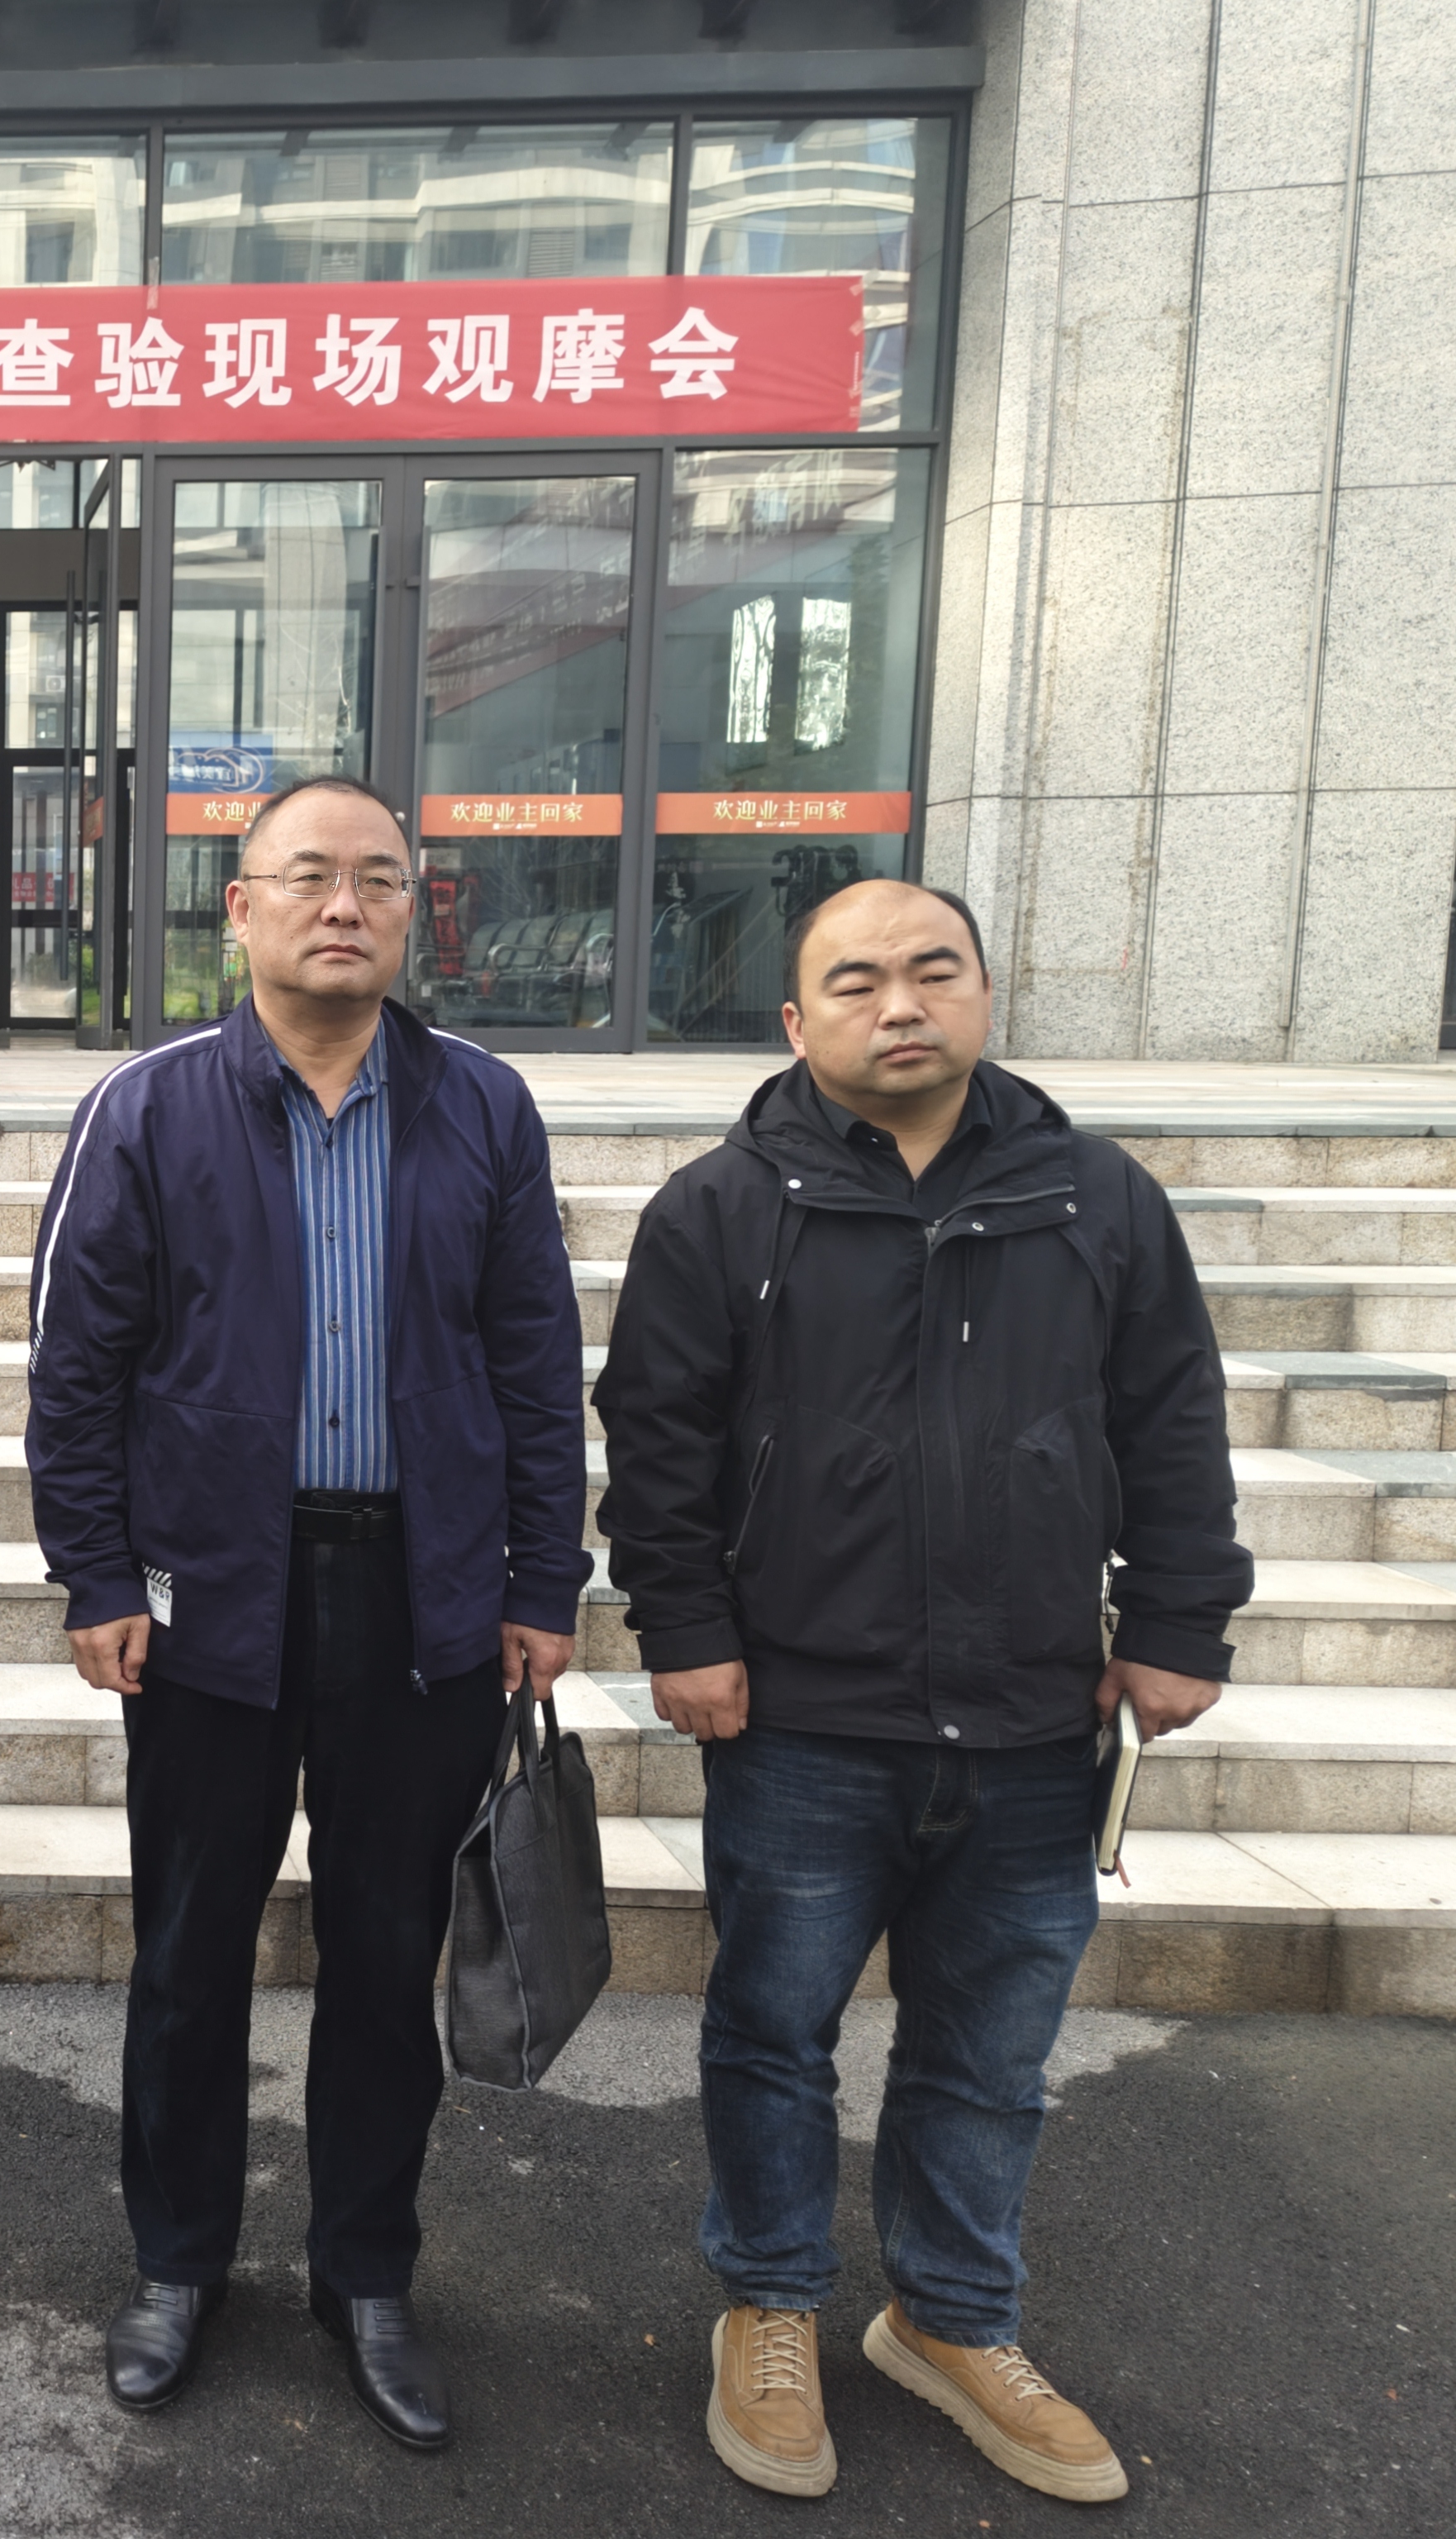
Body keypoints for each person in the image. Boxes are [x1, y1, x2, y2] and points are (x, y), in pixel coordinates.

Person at [593, 879, 1246, 2507]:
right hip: (802, 1721)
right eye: (857, 980)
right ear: (794, 1020)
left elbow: (1169, 1417)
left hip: (1029, 1718)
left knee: (988, 2055)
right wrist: (683, 1629)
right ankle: (769, 2304)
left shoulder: (1096, 1200)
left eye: (932, 971)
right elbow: (658, 1441)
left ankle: (949, 2317)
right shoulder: (720, 1209)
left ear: (982, 994)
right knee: (770, 2034)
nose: (900, 1003)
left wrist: (1180, 1617)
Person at [24, 774, 588, 2448]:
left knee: (385, 1954)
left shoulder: (481, 1108)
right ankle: (176, 2261)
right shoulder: (145, 1110)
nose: (343, 905)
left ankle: (366, 2273)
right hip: (211, 1594)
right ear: (242, 909)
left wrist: (539, 1578)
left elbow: (534, 1363)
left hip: (420, 1598)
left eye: (378, 880)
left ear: (413, 911)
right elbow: (75, 1370)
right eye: (308, 876)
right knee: (189, 1951)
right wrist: (97, 1574)